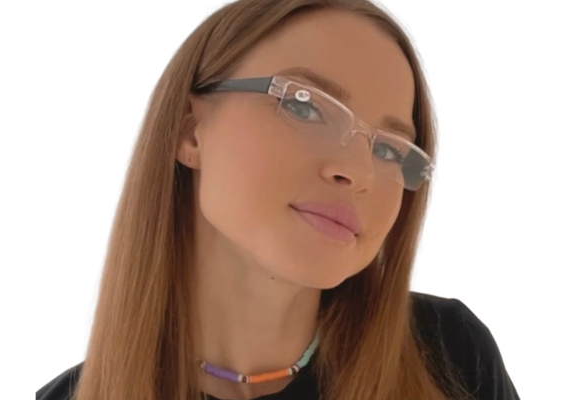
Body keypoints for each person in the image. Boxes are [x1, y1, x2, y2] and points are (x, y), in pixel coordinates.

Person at [36, 0, 519, 399]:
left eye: (390, 149)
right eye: (305, 107)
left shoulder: (452, 354)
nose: (358, 171)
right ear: (189, 129)